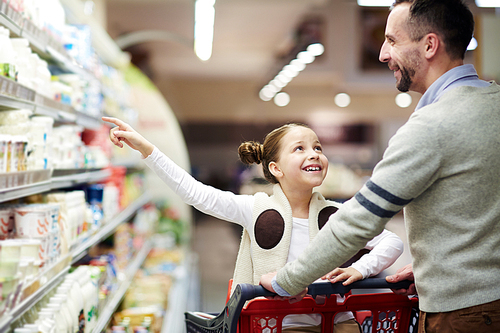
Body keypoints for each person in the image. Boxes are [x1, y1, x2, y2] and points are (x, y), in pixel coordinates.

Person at [259, 0, 500, 332]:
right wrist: (442, 267)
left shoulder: (431, 126)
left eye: (393, 41)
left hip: (464, 315)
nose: (383, 54)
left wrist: (289, 280)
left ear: (430, 45)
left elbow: (359, 220)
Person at [102, 116, 404, 332]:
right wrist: (146, 149)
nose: (314, 153)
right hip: (281, 323)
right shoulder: (255, 209)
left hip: (339, 318)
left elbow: (393, 242)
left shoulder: (337, 215)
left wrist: (360, 269)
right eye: (299, 148)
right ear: (275, 168)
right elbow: (196, 193)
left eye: (317, 147)